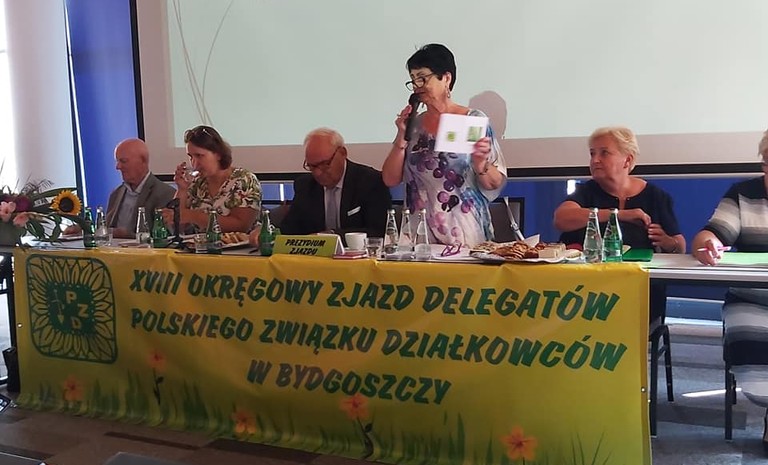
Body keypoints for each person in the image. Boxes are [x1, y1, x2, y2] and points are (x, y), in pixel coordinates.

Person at [381, 44, 507, 247]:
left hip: (464, 233)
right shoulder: (414, 125)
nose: (417, 85)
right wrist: (401, 136)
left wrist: (480, 163)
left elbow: (494, 183)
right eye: (413, 79)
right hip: (419, 235)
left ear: (446, 78)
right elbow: (390, 179)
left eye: (423, 78)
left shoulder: (471, 120)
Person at [692, 128, 768, 452]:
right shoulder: (743, 193)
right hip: (750, 299)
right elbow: (709, 234)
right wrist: (707, 245)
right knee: (754, 360)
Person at [554, 126, 685, 253]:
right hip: (589, 267)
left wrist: (669, 243)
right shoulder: (586, 191)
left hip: (639, 268)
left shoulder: (655, 196)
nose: (595, 160)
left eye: (604, 153)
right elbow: (561, 219)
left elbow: (680, 246)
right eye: (592, 154)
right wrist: (620, 215)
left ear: (627, 160)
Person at [278, 128, 392, 238]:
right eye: (311, 166)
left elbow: (378, 231)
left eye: (324, 164)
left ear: (342, 153)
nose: (317, 173)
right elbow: (289, 230)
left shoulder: (371, 181)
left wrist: (327, 237)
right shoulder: (305, 185)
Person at [65, 138, 176, 238]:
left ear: (143, 161)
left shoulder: (165, 193)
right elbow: (106, 230)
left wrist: (127, 236)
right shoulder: (116, 193)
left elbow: (164, 238)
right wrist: (85, 230)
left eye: (123, 161)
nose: (117, 167)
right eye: (117, 161)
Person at [167, 125, 261, 233]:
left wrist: (195, 216)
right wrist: (182, 189)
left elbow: (241, 227)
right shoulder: (197, 183)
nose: (194, 163)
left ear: (218, 154)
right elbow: (176, 227)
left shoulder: (244, 180)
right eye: (191, 157)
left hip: (242, 244)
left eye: (199, 156)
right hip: (201, 244)